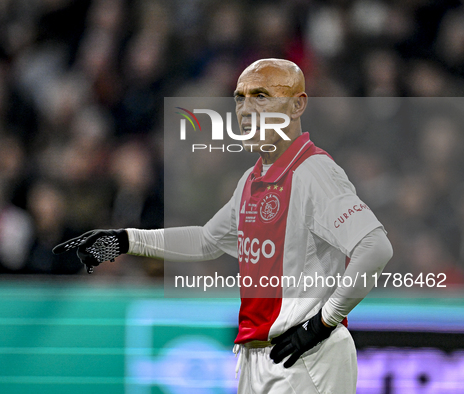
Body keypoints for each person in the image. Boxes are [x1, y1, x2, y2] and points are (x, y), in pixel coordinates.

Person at [53, 58, 393, 394]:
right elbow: (206, 241)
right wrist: (125, 240)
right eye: (239, 98)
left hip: (308, 356)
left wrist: (322, 323)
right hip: (259, 354)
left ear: (296, 105)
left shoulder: (313, 172)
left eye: (261, 96)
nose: (245, 109)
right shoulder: (252, 180)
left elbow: (375, 248)